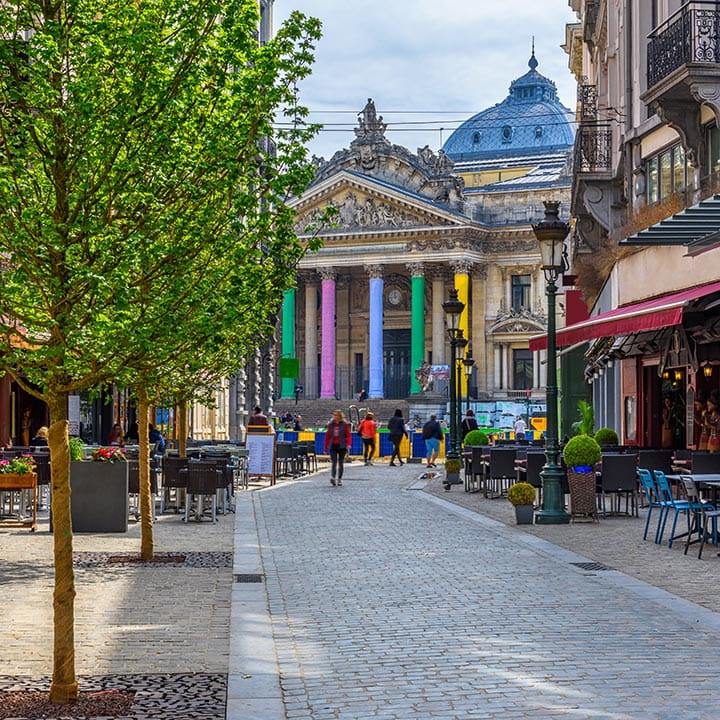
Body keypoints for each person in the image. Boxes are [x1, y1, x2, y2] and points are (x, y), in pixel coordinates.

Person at [323, 410, 352, 486]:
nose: (335, 417)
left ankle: (339, 479)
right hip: (333, 445)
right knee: (334, 462)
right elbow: (327, 436)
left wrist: (348, 444)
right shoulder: (330, 425)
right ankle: (333, 477)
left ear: (340, 416)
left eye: (336, 415)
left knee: (341, 463)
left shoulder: (344, 424)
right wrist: (325, 448)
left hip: (342, 446)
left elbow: (348, 435)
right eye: (334, 415)